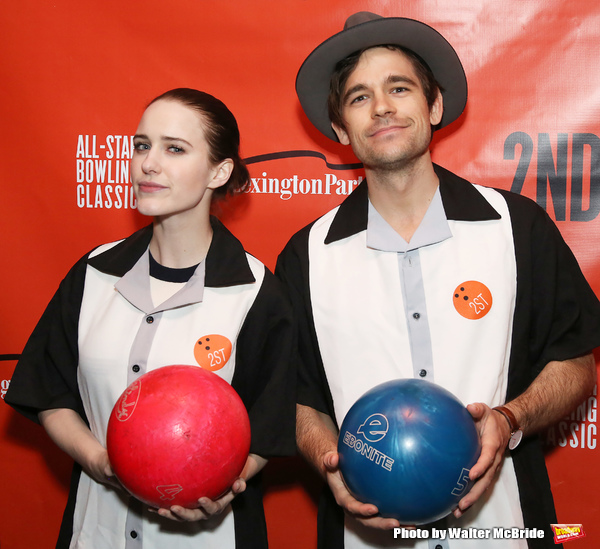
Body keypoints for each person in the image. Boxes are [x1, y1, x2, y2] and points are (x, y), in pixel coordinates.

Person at [276, 11, 600, 549]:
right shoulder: (307, 255)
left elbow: (575, 362)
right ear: (340, 130)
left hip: (501, 531)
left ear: (434, 105)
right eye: (359, 98)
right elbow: (294, 397)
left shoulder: (516, 227)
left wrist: (509, 418)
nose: (381, 107)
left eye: (398, 88)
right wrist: (326, 459)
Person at [6, 88, 295, 549]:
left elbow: (270, 425)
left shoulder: (258, 293)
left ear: (218, 172)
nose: (148, 163)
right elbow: (50, 393)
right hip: (97, 534)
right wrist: (97, 459)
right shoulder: (93, 273)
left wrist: (224, 484)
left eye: (174, 149)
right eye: (142, 145)